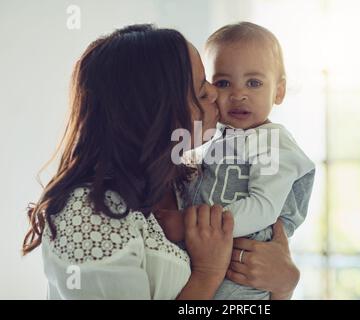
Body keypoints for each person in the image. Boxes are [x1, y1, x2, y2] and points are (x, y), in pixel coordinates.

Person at [22, 24, 300, 300]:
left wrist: (283, 286)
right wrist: (208, 272)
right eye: (203, 90)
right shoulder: (89, 214)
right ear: (156, 112)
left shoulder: (190, 181)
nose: (217, 94)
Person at [156, 22, 315, 300]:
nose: (238, 94)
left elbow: (264, 208)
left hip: (243, 275)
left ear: (279, 92)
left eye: (254, 83)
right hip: (206, 269)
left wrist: (185, 225)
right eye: (223, 83)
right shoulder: (213, 140)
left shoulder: (273, 143)